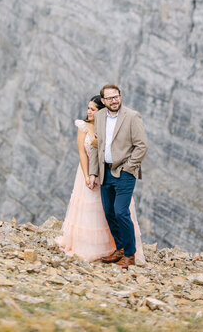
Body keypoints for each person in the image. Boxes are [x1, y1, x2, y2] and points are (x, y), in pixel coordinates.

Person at [56, 95, 145, 263]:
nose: (89, 112)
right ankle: (90, 247)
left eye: (93, 109)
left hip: (108, 172)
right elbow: (82, 153)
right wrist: (87, 175)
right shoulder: (83, 127)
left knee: (111, 210)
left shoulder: (109, 127)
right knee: (91, 210)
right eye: (88, 108)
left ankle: (119, 248)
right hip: (87, 171)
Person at [88, 84, 148, 269]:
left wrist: (128, 168)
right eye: (110, 98)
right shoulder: (99, 116)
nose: (114, 101)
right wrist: (93, 172)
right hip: (105, 172)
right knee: (109, 212)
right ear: (103, 101)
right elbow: (96, 145)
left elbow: (142, 146)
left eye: (117, 97)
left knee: (121, 212)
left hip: (124, 173)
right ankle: (120, 248)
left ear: (120, 97)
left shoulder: (132, 116)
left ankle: (130, 255)